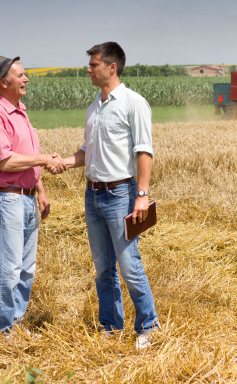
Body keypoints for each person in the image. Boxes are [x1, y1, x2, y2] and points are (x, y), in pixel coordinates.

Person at [57, 42, 158, 349]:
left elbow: (144, 150)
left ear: (111, 67)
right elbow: (87, 152)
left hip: (121, 195)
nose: (89, 70)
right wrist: (64, 162)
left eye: (94, 65)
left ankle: (149, 326)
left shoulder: (133, 103)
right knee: (103, 267)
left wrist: (142, 196)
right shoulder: (93, 107)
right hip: (93, 196)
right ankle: (111, 326)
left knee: (129, 265)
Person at [0, 55, 65, 336]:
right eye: (20, 75)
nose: (26, 79)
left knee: (26, 269)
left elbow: (27, 157)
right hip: (10, 198)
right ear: (4, 81)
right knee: (10, 269)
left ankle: (16, 322)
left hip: (26, 197)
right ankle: (5, 330)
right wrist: (42, 158)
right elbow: (5, 162)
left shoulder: (21, 110)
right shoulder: (0, 113)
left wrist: (40, 189)